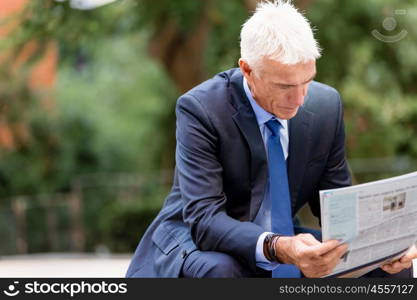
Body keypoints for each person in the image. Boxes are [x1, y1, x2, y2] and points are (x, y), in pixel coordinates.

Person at [126, 0, 416, 278]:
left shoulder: (325, 105)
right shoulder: (201, 109)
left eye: (307, 80)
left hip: (286, 239)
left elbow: (337, 208)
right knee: (222, 270)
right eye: (285, 86)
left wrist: (380, 244)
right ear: (248, 70)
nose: (300, 98)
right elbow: (204, 219)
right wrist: (278, 246)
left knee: (390, 266)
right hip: (197, 241)